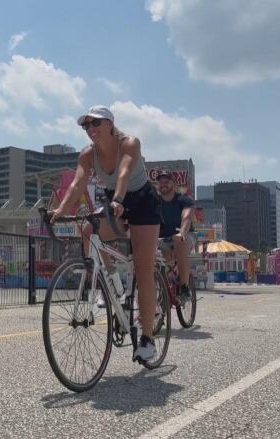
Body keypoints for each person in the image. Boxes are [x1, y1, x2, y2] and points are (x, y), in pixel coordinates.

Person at [51, 105, 162, 363]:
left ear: (110, 124)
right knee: (90, 230)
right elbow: (78, 182)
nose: (90, 129)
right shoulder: (88, 155)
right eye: (86, 125)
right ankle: (111, 282)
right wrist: (60, 210)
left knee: (144, 269)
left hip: (142, 201)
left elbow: (124, 172)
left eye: (95, 123)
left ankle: (147, 339)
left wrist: (119, 198)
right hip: (116, 200)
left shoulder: (130, 143)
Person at [156, 171, 196, 301]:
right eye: (160, 182)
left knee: (181, 243)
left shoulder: (183, 199)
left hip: (185, 235)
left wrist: (182, 233)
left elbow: (186, 218)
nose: (163, 184)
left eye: (167, 181)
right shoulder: (155, 202)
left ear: (174, 184)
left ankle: (184, 288)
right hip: (163, 239)